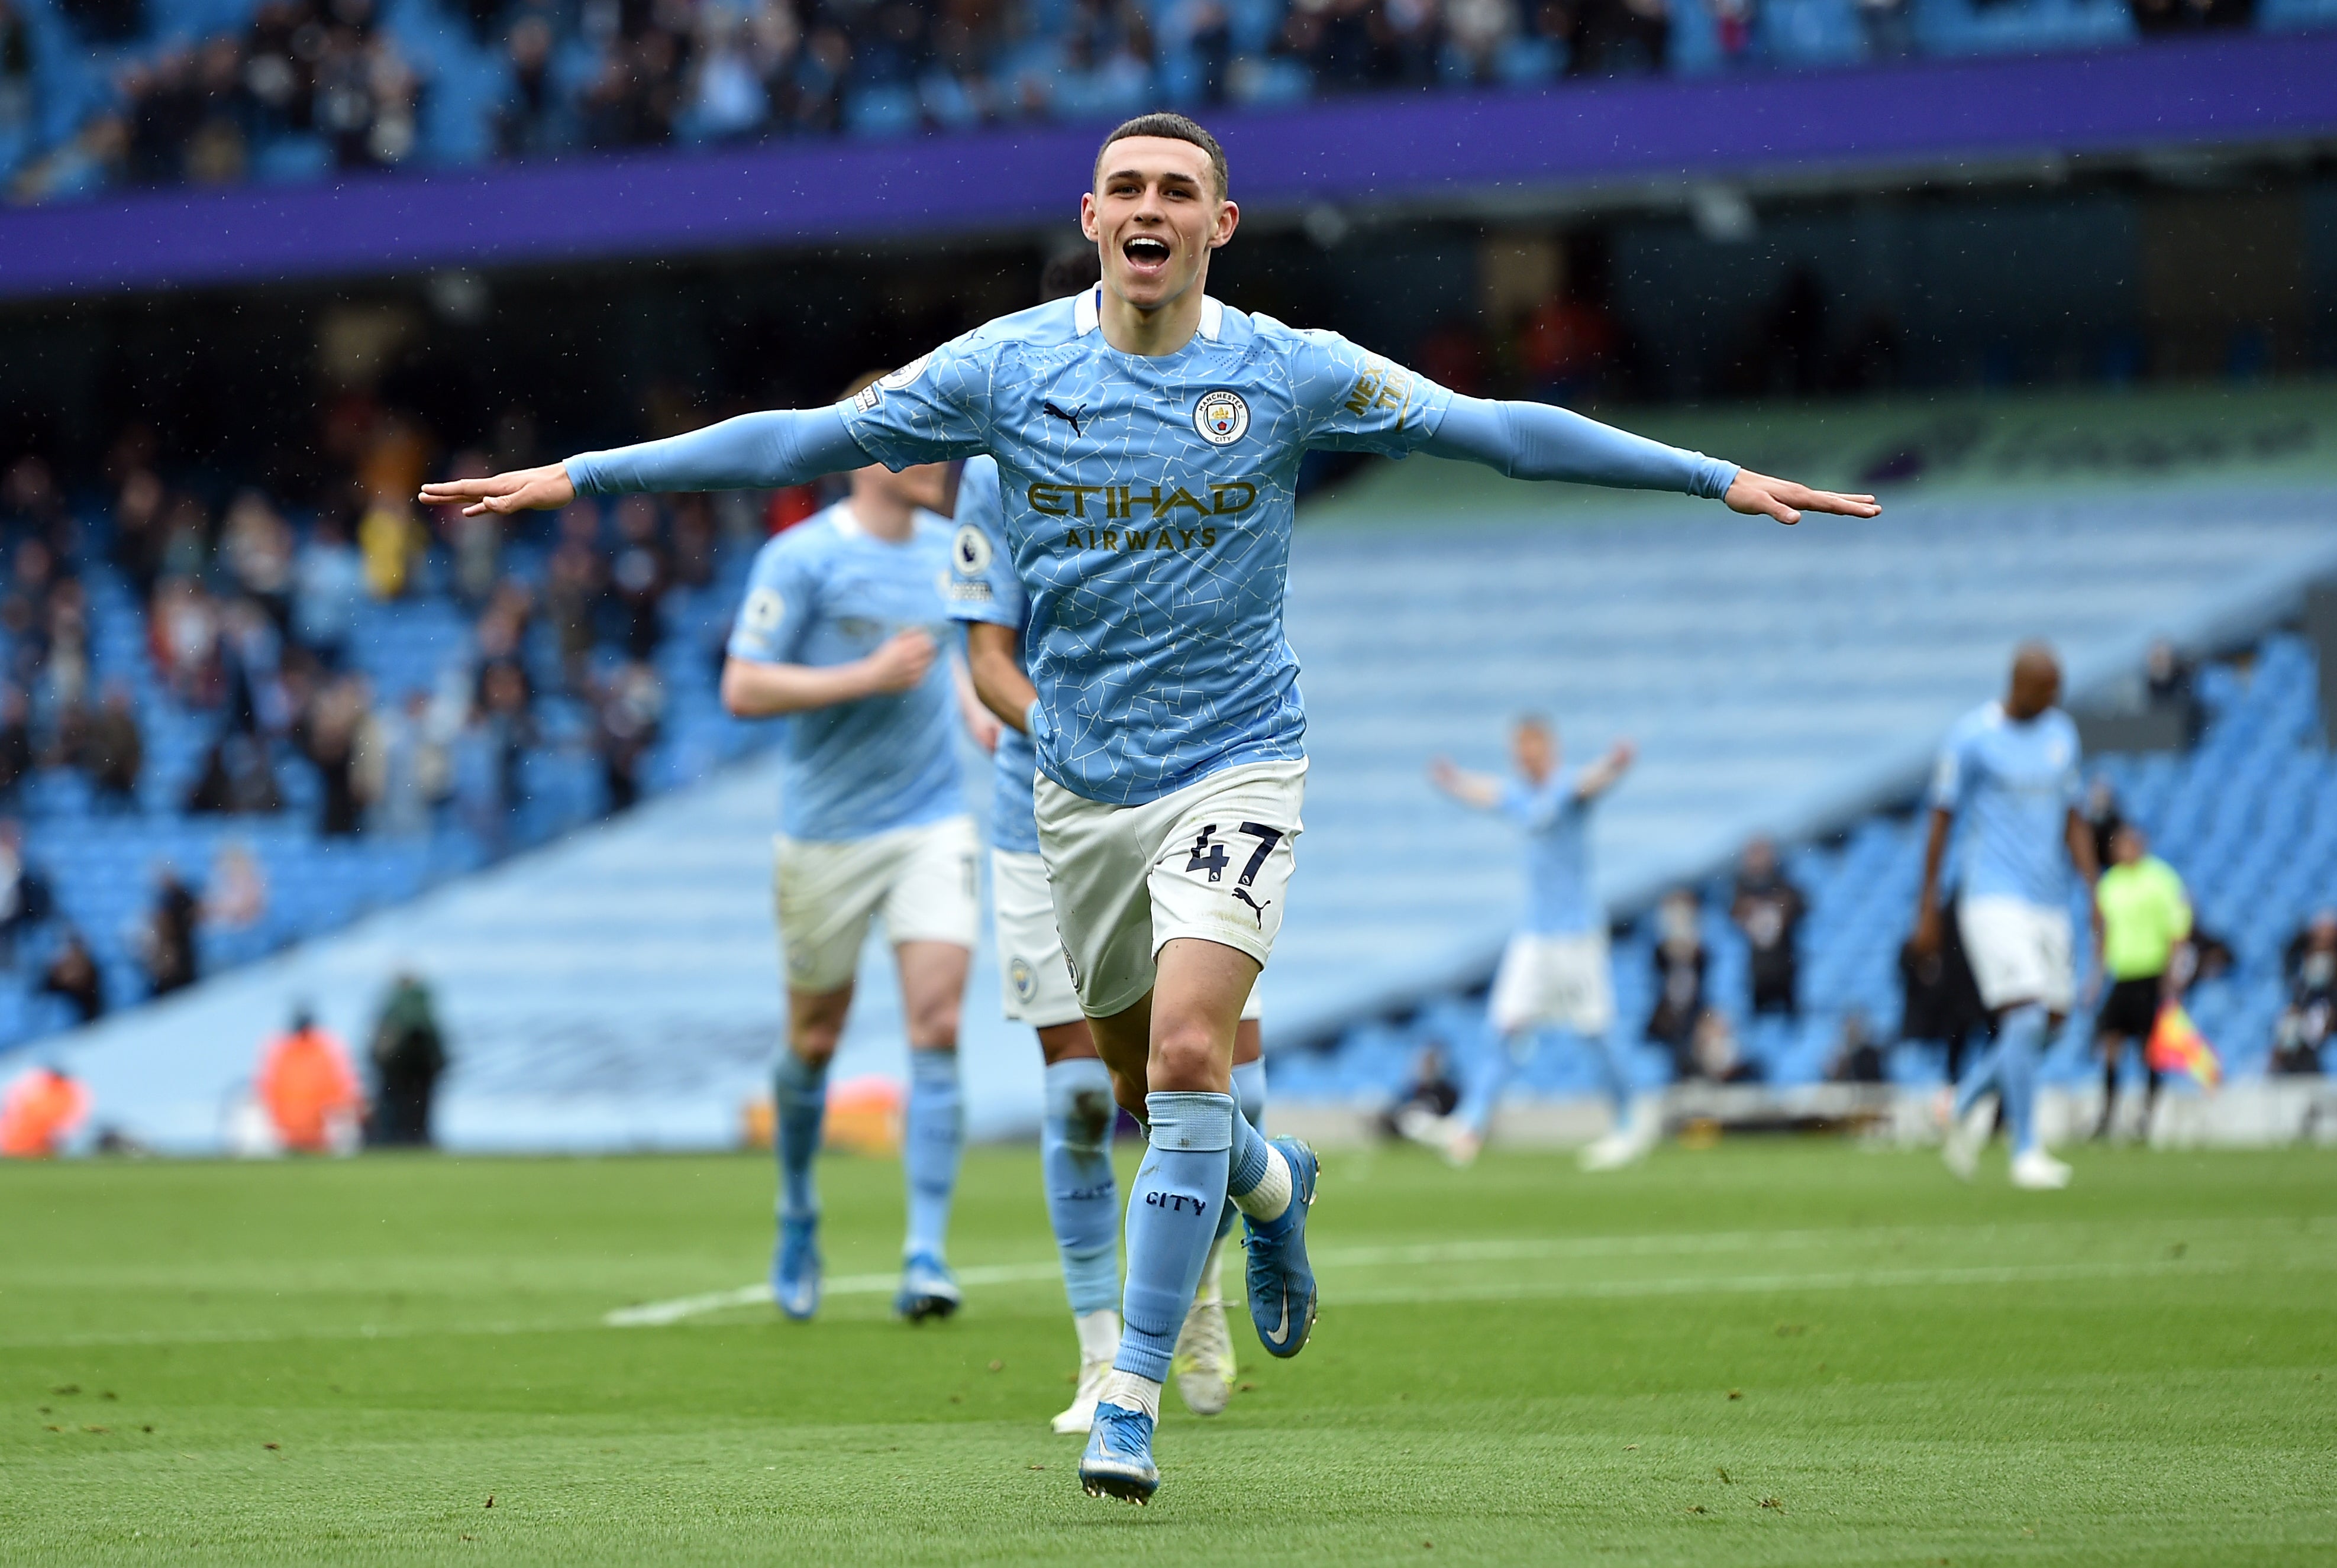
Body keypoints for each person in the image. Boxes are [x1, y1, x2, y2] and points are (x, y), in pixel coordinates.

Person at [418, 111, 1876, 1504]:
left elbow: (1492, 430)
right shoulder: (1002, 371)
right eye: (1127, 190)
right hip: (1078, 792)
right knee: (1149, 1092)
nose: (1149, 212)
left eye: (1177, 194)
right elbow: (804, 438)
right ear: (1091, 219)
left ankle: (1127, 1395)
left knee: (1185, 1050)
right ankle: (1270, 1181)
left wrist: (1714, 476)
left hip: (1239, 763)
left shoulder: (1288, 371)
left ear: (1219, 225)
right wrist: (579, 475)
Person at [950, 244, 1267, 1434]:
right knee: (1092, 1094)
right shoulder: (995, 469)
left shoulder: (1201, 423)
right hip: (1051, 814)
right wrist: (1070, 725)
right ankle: (1096, 1349)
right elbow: (986, 660)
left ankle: (1196, 1289)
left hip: (1194, 788)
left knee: (1217, 1062)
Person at [715, 373, 996, 1328]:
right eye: (926, 441)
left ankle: (926, 1252)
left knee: (937, 1024)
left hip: (930, 821)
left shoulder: (950, 549)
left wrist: (975, 707)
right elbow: (742, 689)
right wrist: (863, 678)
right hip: (827, 833)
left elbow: (964, 652)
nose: (944, 459)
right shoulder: (801, 560)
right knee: (815, 1041)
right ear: (875, 454)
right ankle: (797, 1209)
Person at [1914, 642, 2099, 1190]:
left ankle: (1961, 1101)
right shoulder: (1972, 737)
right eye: (2048, 688)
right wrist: (1926, 904)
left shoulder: (2062, 735)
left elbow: (2074, 816)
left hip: (2050, 899)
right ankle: (2026, 1151)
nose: (2056, 698)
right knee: (2026, 1015)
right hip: (1992, 894)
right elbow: (1941, 819)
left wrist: (2092, 890)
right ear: (2021, 685)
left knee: (2052, 1024)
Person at [1426, 719, 1644, 1171]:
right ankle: (1471, 1123)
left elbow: (1591, 784)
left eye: (1530, 749)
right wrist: (1455, 781)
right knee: (1504, 1026)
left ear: (1549, 748)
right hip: (1535, 936)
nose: (1523, 758)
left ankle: (1629, 1120)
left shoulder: (1565, 790)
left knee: (1596, 1031)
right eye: (1518, 751)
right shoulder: (1523, 797)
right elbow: (1491, 793)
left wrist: (1614, 764)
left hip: (1576, 936)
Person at [2088, 822, 2190, 1140]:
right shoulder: (2110, 884)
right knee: (2110, 1043)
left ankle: (2146, 1116)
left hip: (2151, 974)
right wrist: (2096, 976)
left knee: (2150, 1049)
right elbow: (2102, 933)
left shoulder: (2161, 879)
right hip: (2122, 974)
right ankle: (2107, 1114)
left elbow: (2178, 928)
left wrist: (2174, 971)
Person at [255, 1006, 365, 1154]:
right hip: (285, 1130)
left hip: (322, 1128)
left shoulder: (325, 1048)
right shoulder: (281, 1050)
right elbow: (267, 1089)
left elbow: (343, 1089)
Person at [368, 971, 448, 1146]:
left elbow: (381, 1040)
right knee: (421, 1108)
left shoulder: (393, 1003)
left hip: (395, 1066)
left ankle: (395, 1140)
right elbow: (436, 1041)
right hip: (424, 1068)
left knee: (395, 1106)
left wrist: (379, 1061)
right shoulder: (424, 1002)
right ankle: (420, 1140)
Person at [1730, 836, 1805, 1017]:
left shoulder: (1785, 887)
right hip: (1756, 974)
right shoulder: (1738, 891)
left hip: (1784, 970)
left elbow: (1801, 909)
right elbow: (1732, 918)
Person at [0, 1062, 91, 1158]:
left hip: (45, 1141)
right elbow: (12, 1106)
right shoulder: (33, 1085)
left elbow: (74, 1117)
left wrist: (60, 1133)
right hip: (19, 1138)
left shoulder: (70, 1092)